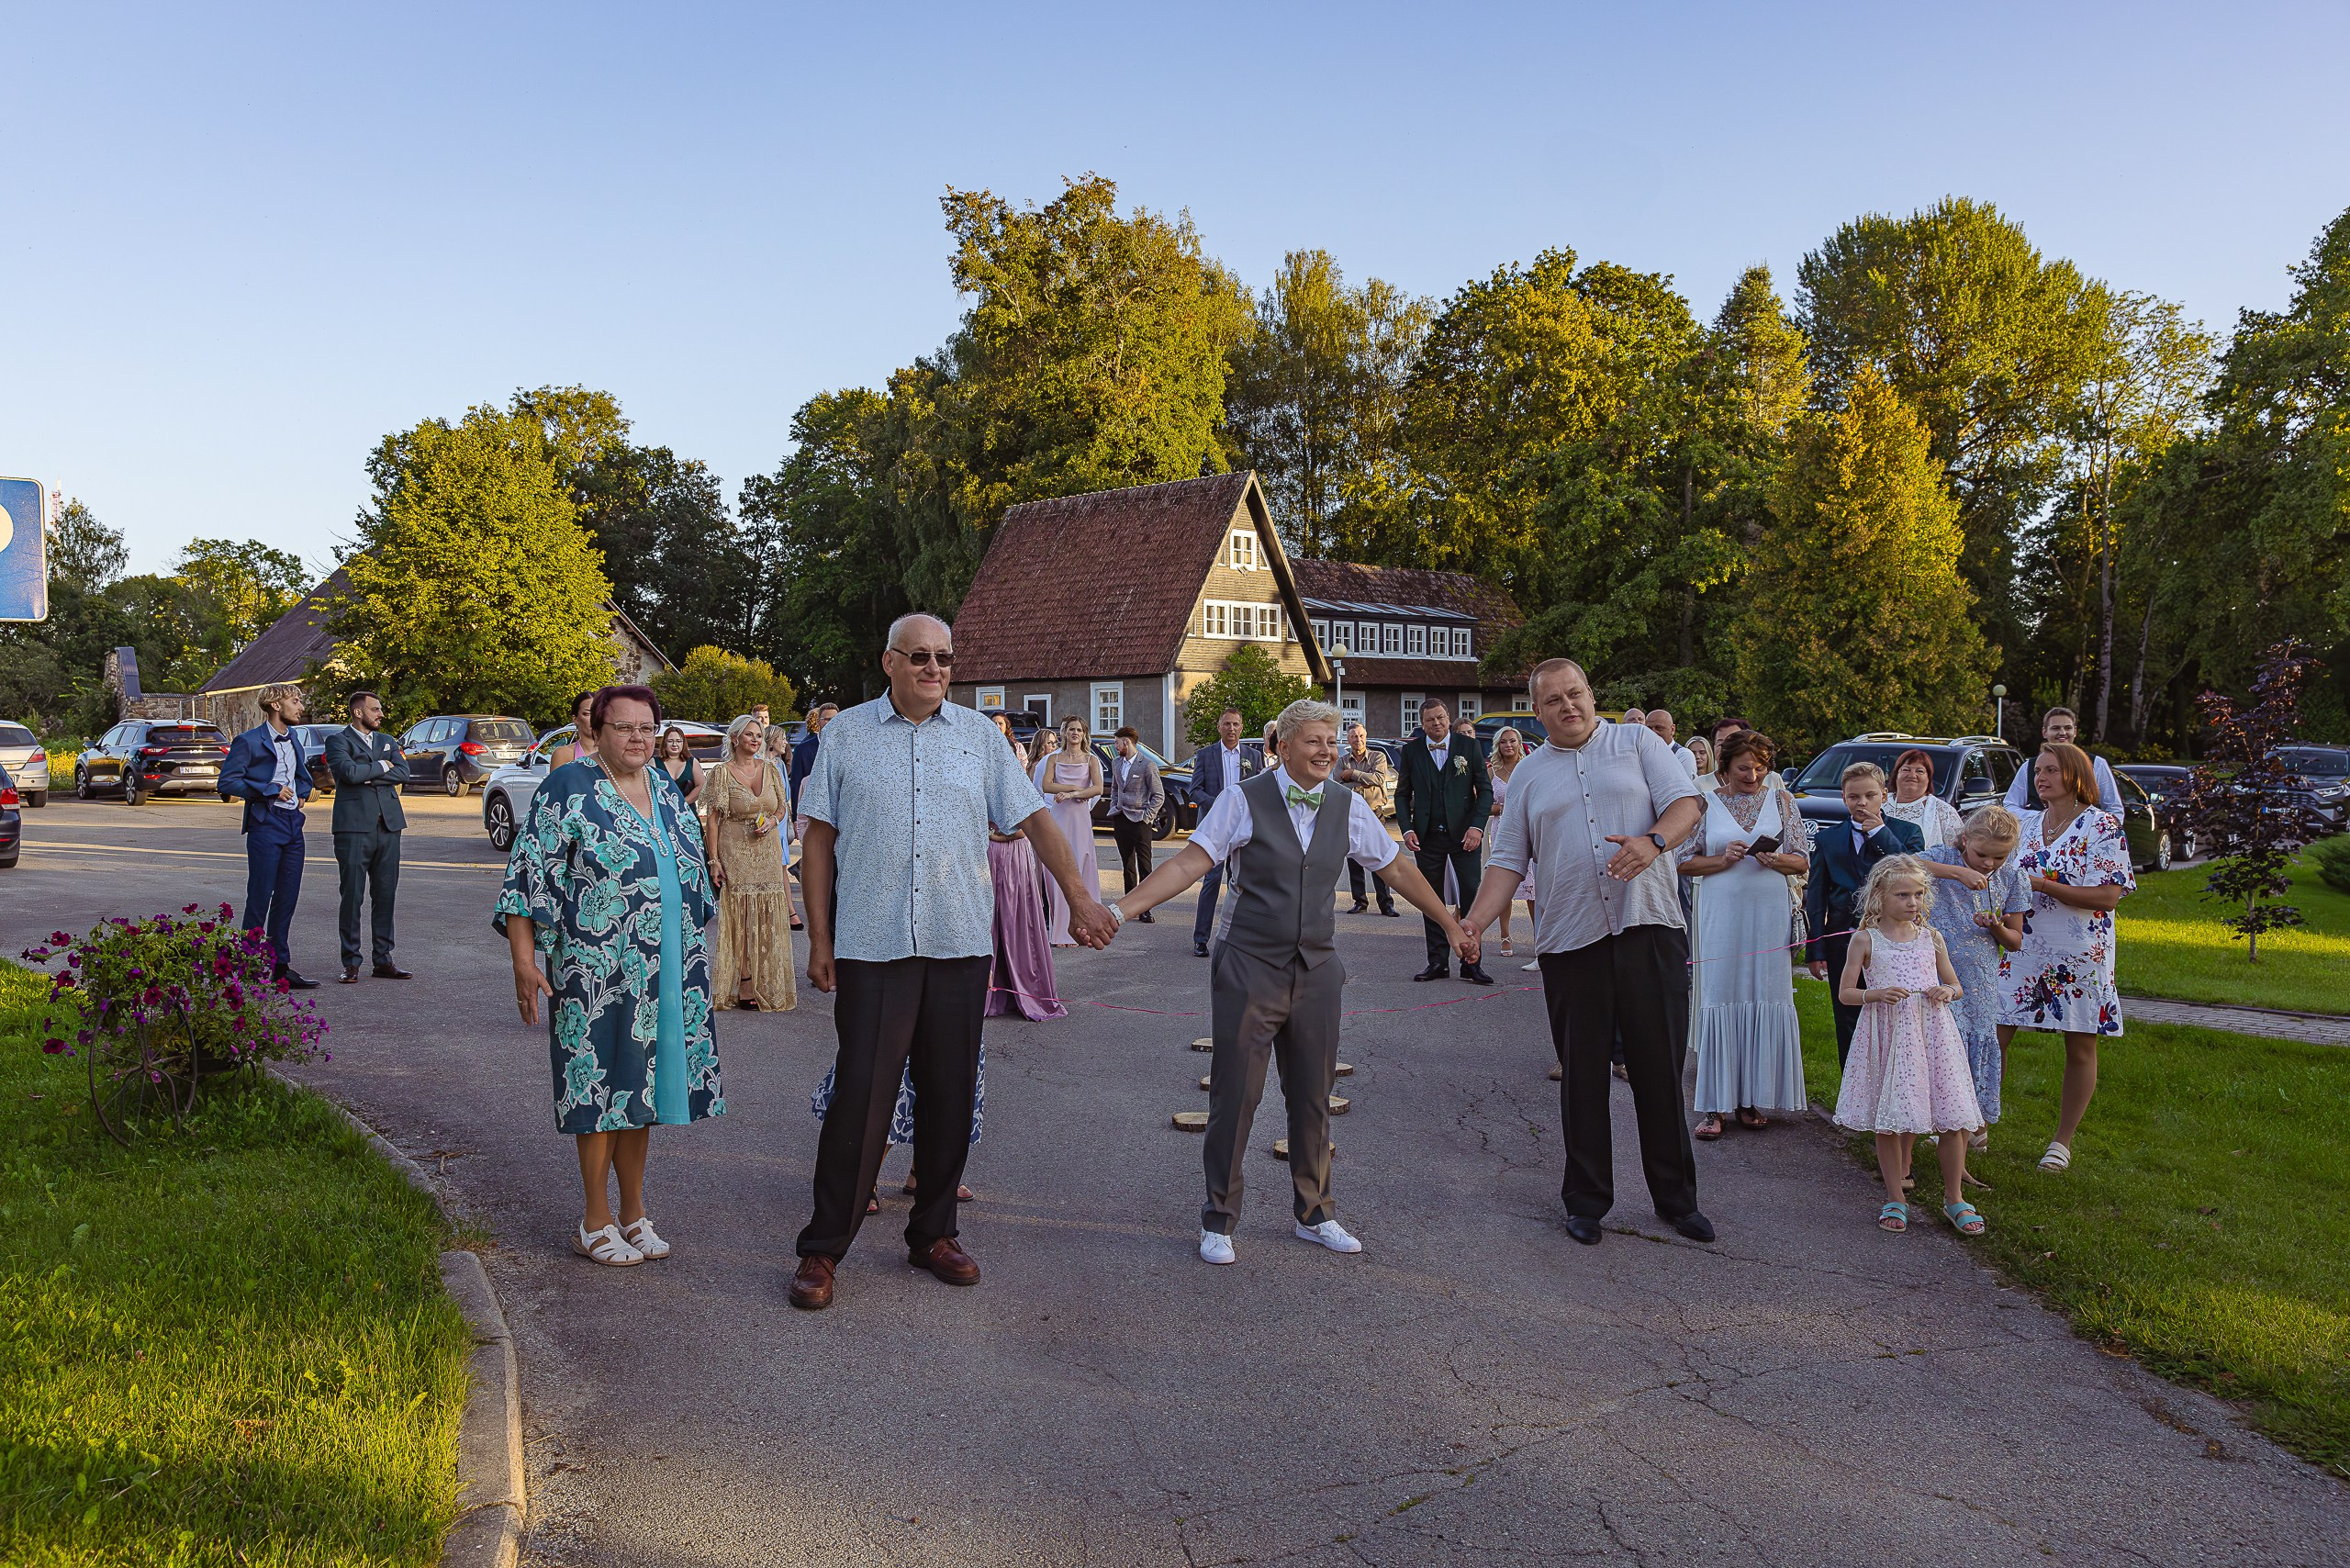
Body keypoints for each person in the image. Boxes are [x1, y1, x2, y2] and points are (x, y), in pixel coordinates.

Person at [789, 615, 1114, 1312]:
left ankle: (933, 1233)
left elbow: (1033, 820)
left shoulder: (978, 739)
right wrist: (819, 939)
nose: (935, 668)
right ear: (889, 662)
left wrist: (1081, 898)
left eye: (944, 658)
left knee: (949, 1095)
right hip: (872, 945)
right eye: (920, 657)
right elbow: (817, 841)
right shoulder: (845, 734)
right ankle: (823, 1247)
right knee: (861, 1097)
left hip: (960, 942)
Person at [1111, 700, 1476, 1264]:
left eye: (1331, 742)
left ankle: (1316, 1212)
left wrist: (1450, 923)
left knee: (1311, 1096)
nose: (1327, 751)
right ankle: (1219, 1219)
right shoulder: (1243, 799)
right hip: (1249, 964)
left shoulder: (1348, 806)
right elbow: (1190, 863)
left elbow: (1397, 867)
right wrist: (1122, 910)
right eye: (1314, 742)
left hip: (1318, 968)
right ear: (1282, 748)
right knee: (1235, 1095)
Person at [1463, 658, 1711, 1247]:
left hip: (1648, 927)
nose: (1567, 706)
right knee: (1582, 1077)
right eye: (1553, 700)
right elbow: (1507, 861)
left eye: (1575, 694)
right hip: (1570, 941)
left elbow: (1687, 806)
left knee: (1658, 1069)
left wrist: (1653, 844)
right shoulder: (1527, 777)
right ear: (1538, 710)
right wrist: (1471, 922)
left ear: (1591, 694)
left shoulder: (1637, 742)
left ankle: (1676, 1199)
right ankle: (1586, 1202)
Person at [498, 685, 722, 1268]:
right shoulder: (568, 788)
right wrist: (524, 961)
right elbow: (528, 877)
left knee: (643, 1091)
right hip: (594, 972)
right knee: (598, 1089)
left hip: (665, 968)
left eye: (647, 728)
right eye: (624, 728)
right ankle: (593, 1219)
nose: (638, 739)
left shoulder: (665, 790)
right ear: (596, 733)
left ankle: (633, 1213)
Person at [1998, 743, 2135, 1174]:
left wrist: (2042, 885)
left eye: (2051, 770)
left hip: (2080, 952)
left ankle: (2062, 1142)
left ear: (2075, 775)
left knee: (2080, 1043)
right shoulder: (2024, 823)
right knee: (1993, 1032)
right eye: (2038, 770)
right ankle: (1974, 1123)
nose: (2041, 777)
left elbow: (2108, 896)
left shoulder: (2103, 826)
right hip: (2023, 945)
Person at [1832, 856, 1986, 1238]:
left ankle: (1954, 1198)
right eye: (1903, 894)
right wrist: (1876, 993)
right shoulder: (1865, 939)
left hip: (1933, 1033)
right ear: (1879, 896)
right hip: (1890, 1035)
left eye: (1919, 894)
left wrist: (1946, 990)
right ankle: (1895, 1197)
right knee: (1892, 1119)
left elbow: (1956, 984)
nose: (1913, 902)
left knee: (1952, 1115)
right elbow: (1846, 992)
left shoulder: (1931, 938)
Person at [1676, 730, 1811, 1140]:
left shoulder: (1783, 802)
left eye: (1760, 767)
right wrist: (1723, 859)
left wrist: (1779, 860)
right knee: (1721, 995)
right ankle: (1715, 1106)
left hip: (1767, 913)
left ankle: (1751, 1098)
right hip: (1721, 913)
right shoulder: (1705, 803)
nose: (1753, 775)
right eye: (1743, 767)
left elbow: (1803, 860)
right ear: (1725, 766)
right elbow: (1683, 862)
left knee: (1763, 994)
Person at [1919, 805, 2029, 1141]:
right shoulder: (1942, 856)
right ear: (1965, 839)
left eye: (1999, 857)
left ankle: (1972, 1123)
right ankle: (1931, 1118)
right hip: (1933, 967)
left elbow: (2015, 941)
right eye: (1982, 854)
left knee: (1974, 1041)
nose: (1988, 864)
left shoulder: (2012, 877)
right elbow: (1899, 866)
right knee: (1937, 1040)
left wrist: (1996, 926)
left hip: (1979, 977)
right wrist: (1956, 873)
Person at [1805, 763, 1926, 1066]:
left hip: (1896, 942)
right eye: (1853, 797)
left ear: (1884, 795)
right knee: (1848, 1017)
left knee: (1895, 1015)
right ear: (1844, 799)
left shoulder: (1907, 833)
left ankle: (1895, 1086)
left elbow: (1909, 871)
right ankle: (1853, 1095)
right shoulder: (1828, 840)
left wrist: (1880, 833)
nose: (1862, 804)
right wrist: (1816, 949)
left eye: (1870, 795)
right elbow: (1817, 899)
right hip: (1844, 943)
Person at [219, 682, 319, 989]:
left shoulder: (296, 739)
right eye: (296, 700)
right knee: (261, 895)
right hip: (265, 823)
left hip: (293, 824)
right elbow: (228, 782)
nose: (301, 706)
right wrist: (271, 789)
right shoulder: (248, 742)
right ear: (276, 705)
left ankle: (280, 967)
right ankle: (248, 964)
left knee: (288, 896)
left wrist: (302, 792)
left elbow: (302, 775)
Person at [1395, 698, 1496, 985]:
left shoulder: (1468, 747)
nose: (1436, 724)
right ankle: (1437, 961)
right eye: (1430, 720)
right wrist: (1407, 829)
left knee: (1471, 897)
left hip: (1465, 835)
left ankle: (1471, 963)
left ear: (1448, 717)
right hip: (1427, 837)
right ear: (1422, 723)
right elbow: (1402, 795)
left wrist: (1477, 827)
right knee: (1431, 899)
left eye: (1440, 718)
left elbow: (1484, 791)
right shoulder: (1412, 751)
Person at [704, 714, 797, 1013]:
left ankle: (767, 979)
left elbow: (783, 807)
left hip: (767, 852)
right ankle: (744, 980)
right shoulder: (721, 772)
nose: (756, 740)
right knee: (742, 917)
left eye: (758, 735)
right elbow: (714, 820)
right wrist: (714, 859)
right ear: (734, 739)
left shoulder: (771, 769)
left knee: (769, 914)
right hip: (736, 852)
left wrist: (772, 821)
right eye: (749, 735)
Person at [324, 689, 411, 984]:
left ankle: (383, 960)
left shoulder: (387, 741)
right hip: (353, 828)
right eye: (375, 710)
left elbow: (403, 772)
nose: (381, 714)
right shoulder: (338, 741)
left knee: (386, 894)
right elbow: (347, 773)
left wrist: (370, 772)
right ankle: (351, 962)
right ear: (358, 712)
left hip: (389, 826)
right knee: (352, 896)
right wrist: (382, 766)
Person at [985, 713, 1066, 1022]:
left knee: (1020, 920)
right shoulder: (980, 782)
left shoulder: (1020, 782)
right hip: (990, 856)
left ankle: (1025, 990)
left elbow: (1026, 827)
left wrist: (994, 833)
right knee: (989, 923)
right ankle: (991, 990)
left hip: (1014, 853)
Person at [1186, 707, 1259, 957]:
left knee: (1242, 883)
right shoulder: (1206, 755)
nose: (1231, 729)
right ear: (1219, 727)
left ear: (1242, 727)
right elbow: (1194, 790)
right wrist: (1218, 805)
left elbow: (1259, 790)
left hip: (1243, 828)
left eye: (1235, 724)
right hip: (1215, 827)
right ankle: (1201, 939)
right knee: (1211, 881)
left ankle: (1240, 939)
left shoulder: (1253, 756)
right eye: (1226, 724)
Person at [1036, 716, 1104, 946]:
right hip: (1060, 817)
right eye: (1071, 729)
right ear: (1064, 733)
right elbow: (1046, 786)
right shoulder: (1053, 759)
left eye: (1079, 730)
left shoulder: (1091, 760)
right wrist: (1073, 787)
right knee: (1059, 868)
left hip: (1080, 818)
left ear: (1084, 734)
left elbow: (1097, 788)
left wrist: (1073, 795)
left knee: (1082, 865)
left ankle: (1087, 927)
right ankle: (1060, 932)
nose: (1075, 733)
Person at [2002, 707, 2124, 814]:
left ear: (2075, 732)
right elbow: (2010, 806)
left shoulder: (2096, 764)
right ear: (2045, 732)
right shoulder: (2028, 767)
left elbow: (2113, 808)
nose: (2062, 733)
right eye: (2055, 728)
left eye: (2067, 728)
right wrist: (2038, 820)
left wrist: (2102, 834)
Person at [1337, 722, 1395, 915]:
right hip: (1351, 814)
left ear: (1366, 736)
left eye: (1361, 736)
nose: (1358, 740)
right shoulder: (1342, 761)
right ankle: (1360, 902)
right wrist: (1364, 780)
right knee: (1354, 859)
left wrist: (1352, 775)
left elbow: (1378, 779)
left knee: (1380, 858)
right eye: (1354, 736)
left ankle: (1386, 904)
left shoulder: (1378, 756)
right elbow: (1337, 786)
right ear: (1348, 739)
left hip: (1375, 813)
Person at [1105, 726, 1163, 915]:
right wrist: (1115, 805)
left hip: (1140, 821)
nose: (1115, 746)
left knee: (1145, 866)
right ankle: (1129, 907)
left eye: (1117, 742)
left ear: (1127, 742)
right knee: (1127, 865)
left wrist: (1147, 817)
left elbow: (1158, 795)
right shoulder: (1116, 763)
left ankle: (1145, 908)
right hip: (1120, 819)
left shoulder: (1147, 765)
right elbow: (1114, 788)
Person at [1486, 726, 1529, 956]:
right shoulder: (1492, 771)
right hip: (1502, 830)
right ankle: (1505, 936)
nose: (1508, 745)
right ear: (1498, 746)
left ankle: (1539, 937)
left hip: (1528, 830)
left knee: (1532, 888)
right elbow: (1483, 806)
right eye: (1504, 742)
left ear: (1519, 743)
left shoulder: (1528, 768)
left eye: (1512, 741)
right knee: (1505, 885)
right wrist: (1503, 807)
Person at [1884, 747, 1962, 848]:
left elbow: (1958, 852)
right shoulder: (1879, 803)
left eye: (1920, 771)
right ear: (1896, 775)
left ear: (1928, 778)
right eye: (1906, 770)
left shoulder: (1943, 811)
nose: (1912, 775)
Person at [789, 702, 837, 822]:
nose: (831, 722)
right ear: (818, 722)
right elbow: (796, 785)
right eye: (827, 719)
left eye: (835, 719)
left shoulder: (848, 749)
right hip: (812, 816)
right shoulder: (802, 750)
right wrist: (796, 818)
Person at [548, 690, 599, 767]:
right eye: (587, 714)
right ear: (575, 719)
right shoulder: (562, 754)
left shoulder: (614, 753)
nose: (594, 718)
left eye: (598, 713)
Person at [656, 725, 702, 805]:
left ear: (683, 743)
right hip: (662, 812)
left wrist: (683, 803)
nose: (674, 744)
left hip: (688, 813)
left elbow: (701, 786)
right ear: (664, 743)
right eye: (670, 741)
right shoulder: (654, 762)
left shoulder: (692, 762)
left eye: (678, 741)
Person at [1644, 710, 1697, 778]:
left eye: (1659, 728)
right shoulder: (1643, 754)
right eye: (1649, 729)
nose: (1653, 732)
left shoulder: (1683, 755)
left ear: (1672, 729)